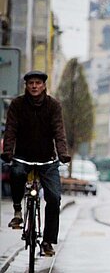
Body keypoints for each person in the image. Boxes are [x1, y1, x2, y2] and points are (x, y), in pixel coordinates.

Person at [1, 70, 71, 257]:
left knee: (54, 199)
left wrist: (63, 154)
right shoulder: (17, 105)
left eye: (38, 83)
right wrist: (7, 152)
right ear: (26, 85)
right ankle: (17, 212)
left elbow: (59, 131)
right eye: (31, 83)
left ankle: (47, 241)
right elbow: (10, 130)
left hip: (47, 159)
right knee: (16, 173)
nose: (34, 86)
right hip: (22, 156)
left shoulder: (53, 106)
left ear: (44, 85)